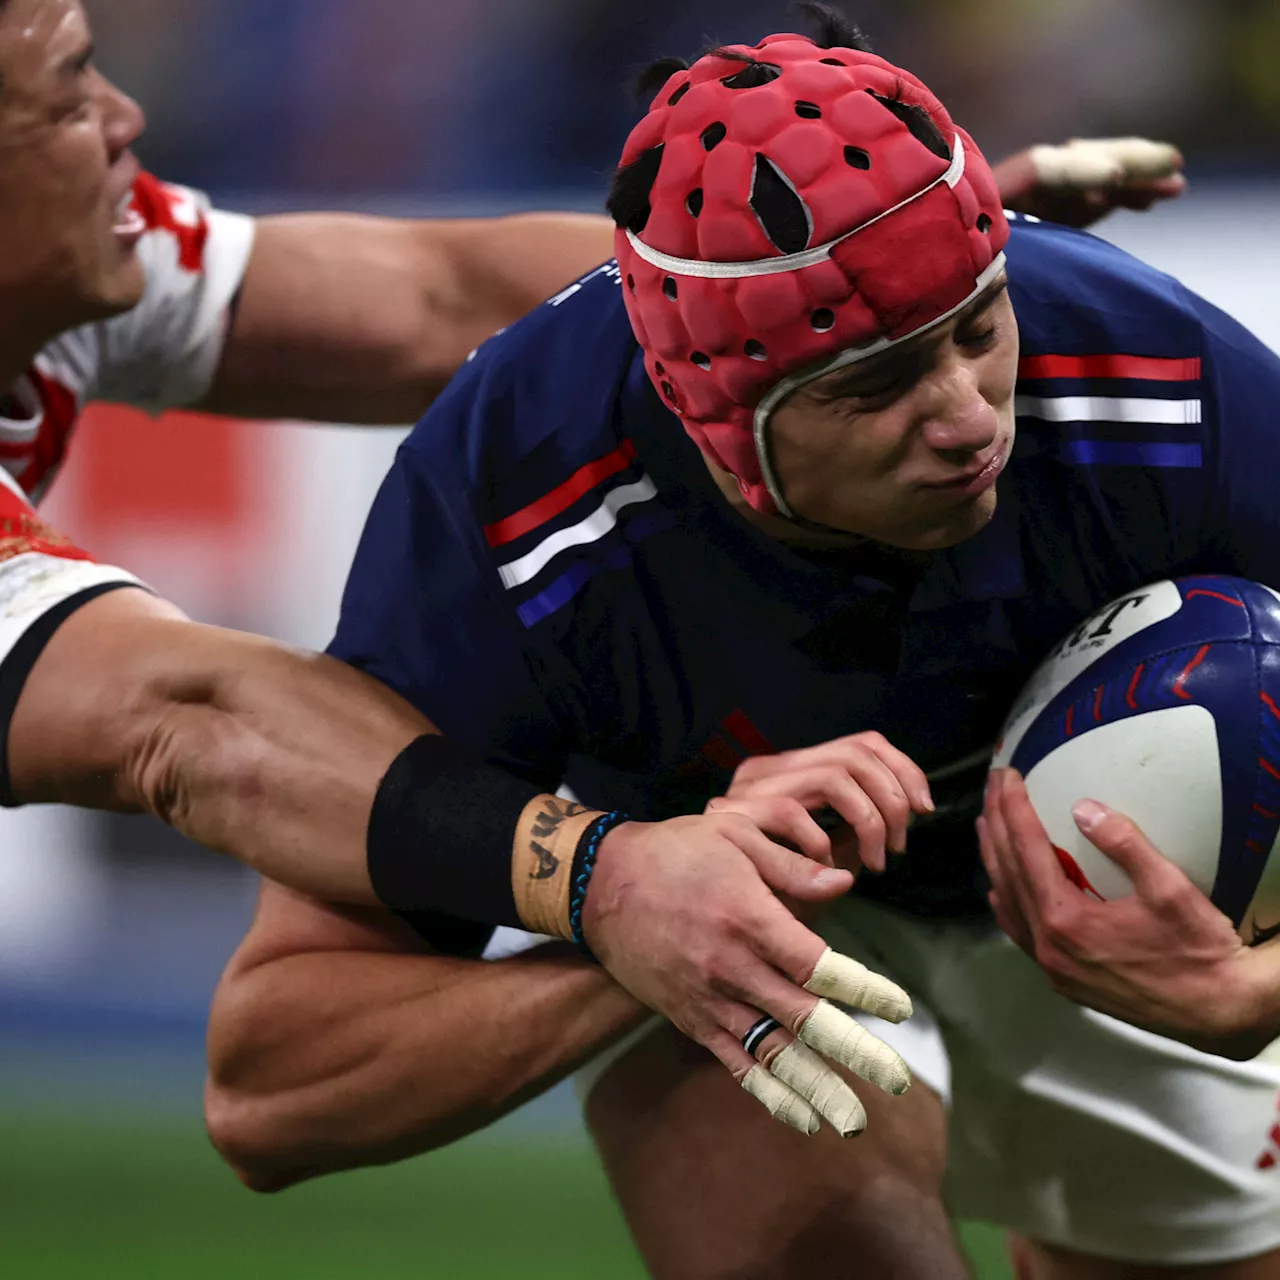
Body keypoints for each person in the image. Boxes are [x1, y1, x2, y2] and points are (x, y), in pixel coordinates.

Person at [214, 8, 1280, 1278]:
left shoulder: (1155, 374)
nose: (964, 419)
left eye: (979, 326)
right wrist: (648, 917)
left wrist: (1259, 994)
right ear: (713, 425)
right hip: (754, 977)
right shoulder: (514, 508)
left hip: (1129, 903)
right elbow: (273, 1083)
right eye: (873, 386)